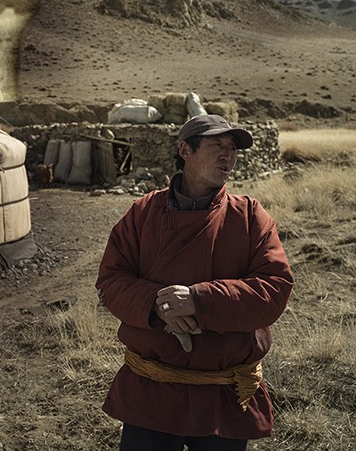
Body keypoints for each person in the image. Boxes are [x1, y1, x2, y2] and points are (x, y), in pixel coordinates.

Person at [96, 114, 294, 450]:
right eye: (217, 144)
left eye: (233, 148)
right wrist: (156, 303)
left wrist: (199, 300)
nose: (227, 155)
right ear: (185, 151)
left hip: (224, 395)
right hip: (152, 391)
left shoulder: (249, 217)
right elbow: (111, 279)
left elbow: (274, 288)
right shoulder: (144, 213)